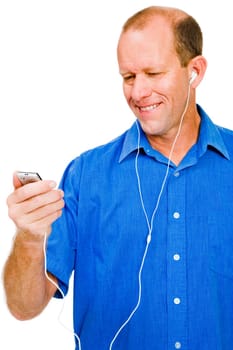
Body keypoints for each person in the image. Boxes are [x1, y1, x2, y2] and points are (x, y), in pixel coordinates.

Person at [3, 5, 233, 350]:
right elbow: (23, 307)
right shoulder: (85, 175)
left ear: (194, 71)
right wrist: (30, 238)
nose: (138, 93)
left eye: (153, 73)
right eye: (128, 77)